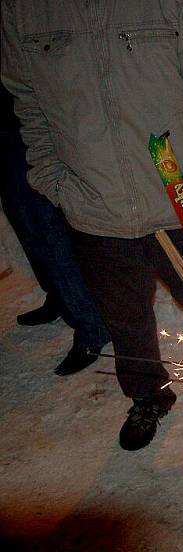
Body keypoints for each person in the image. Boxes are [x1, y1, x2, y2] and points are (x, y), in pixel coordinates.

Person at [1, 0, 183, 451]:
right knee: (124, 318)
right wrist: (55, 181)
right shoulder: (23, 10)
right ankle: (147, 394)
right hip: (95, 209)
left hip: (180, 200)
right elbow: (27, 103)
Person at [0, 82, 110, 376]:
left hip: (21, 116)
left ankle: (91, 324)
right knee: (22, 218)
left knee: (44, 221)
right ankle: (60, 296)